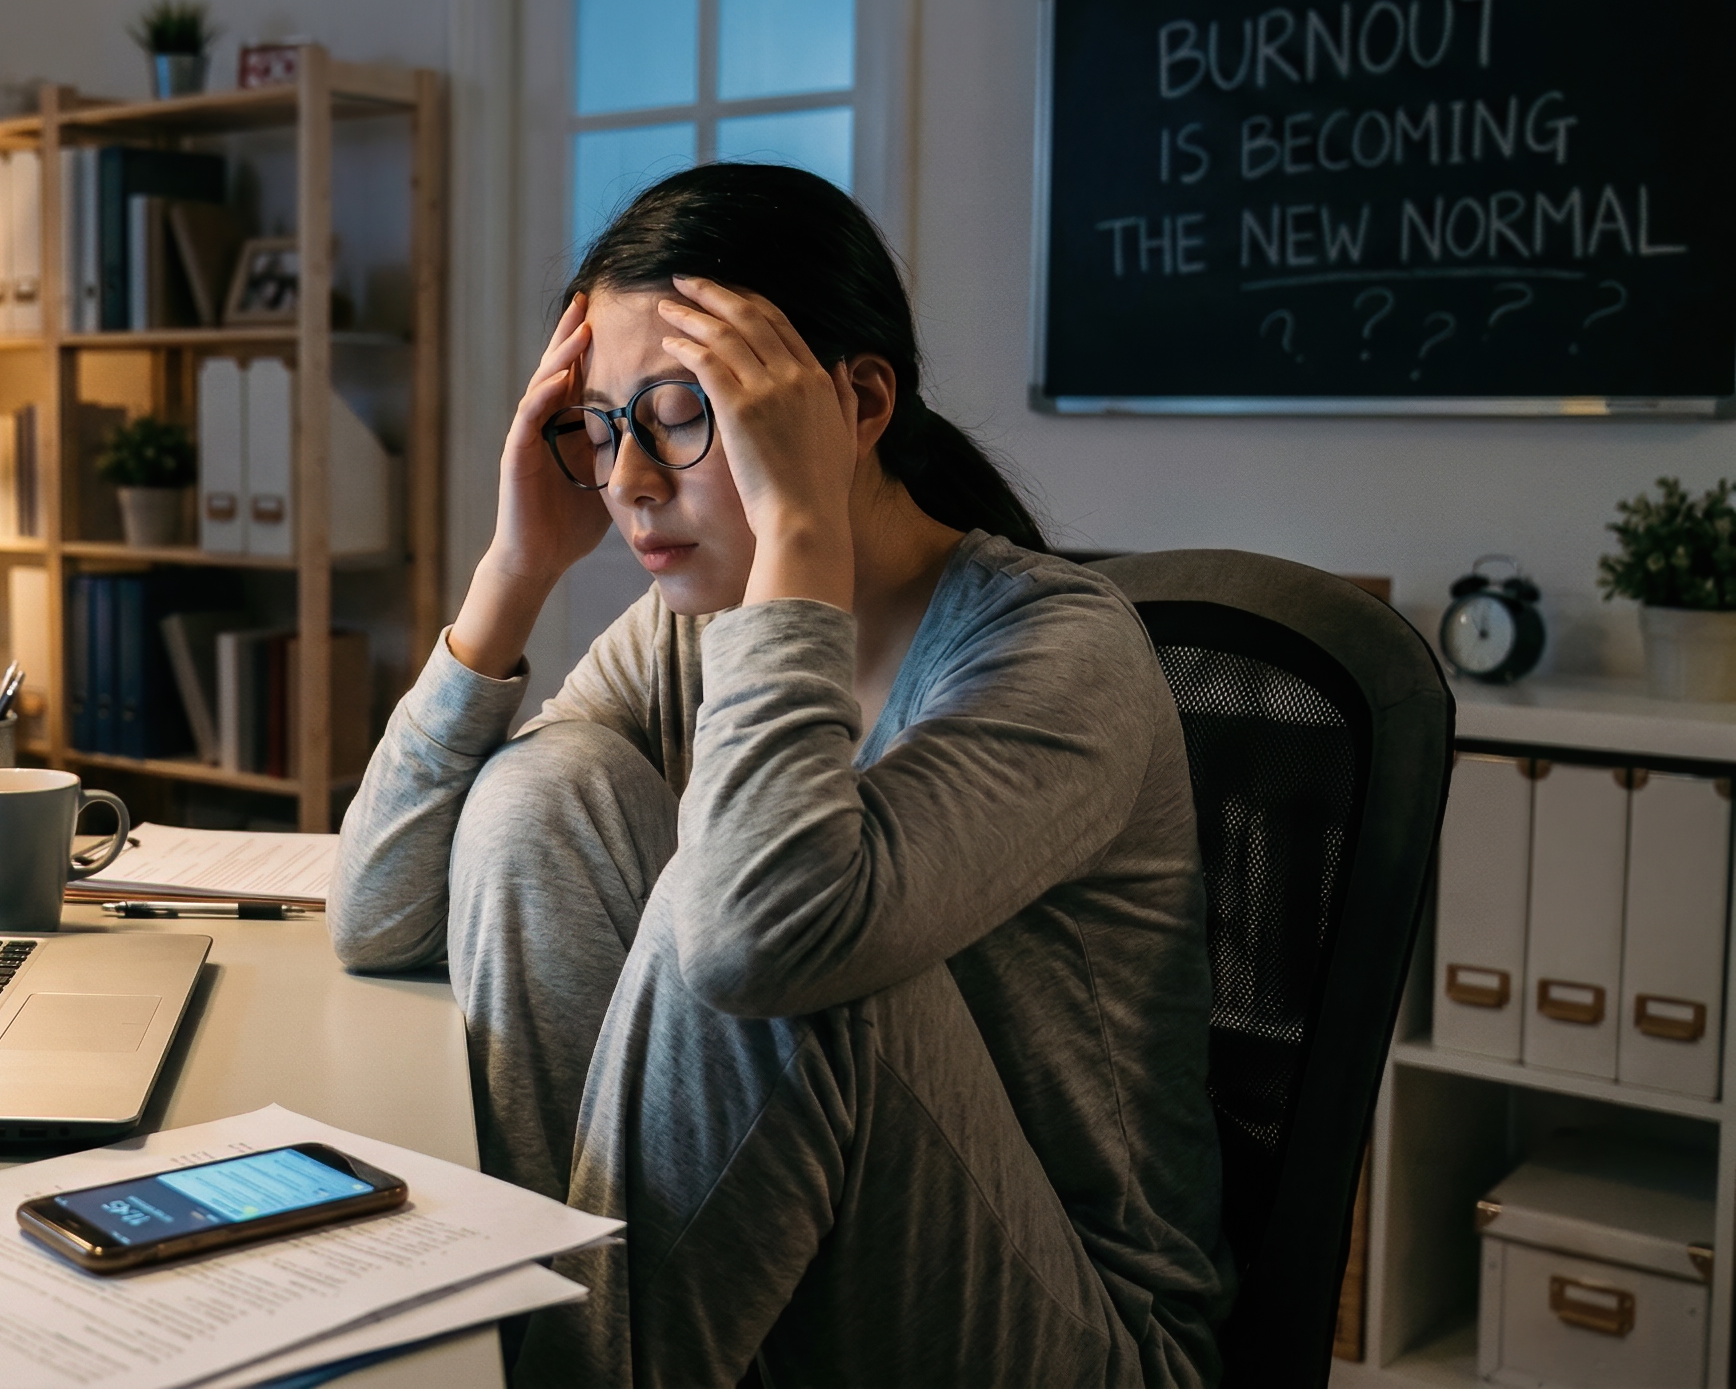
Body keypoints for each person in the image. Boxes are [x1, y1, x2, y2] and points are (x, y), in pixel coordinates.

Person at [329, 163, 1230, 1387]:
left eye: (681, 410)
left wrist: (800, 529)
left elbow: (761, 938)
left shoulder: (1058, 653)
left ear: (857, 405)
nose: (632, 479)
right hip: (780, 1302)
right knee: (543, 794)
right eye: (601, 429)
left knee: (764, 919)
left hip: (1087, 1333)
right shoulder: (691, 636)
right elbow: (377, 917)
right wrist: (513, 573)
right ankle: (542, 1350)